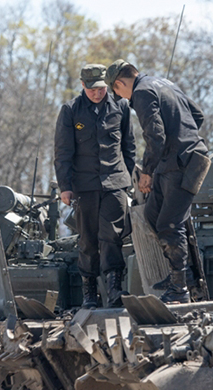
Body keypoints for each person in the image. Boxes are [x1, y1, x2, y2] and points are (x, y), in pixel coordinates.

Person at [105, 59, 209, 304]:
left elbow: (155, 135)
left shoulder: (141, 93)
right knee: (153, 216)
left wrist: (147, 172)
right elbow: (198, 115)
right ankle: (182, 276)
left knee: (170, 224)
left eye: (117, 92)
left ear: (120, 83)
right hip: (172, 161)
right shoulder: (165, 83)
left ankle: (180, 288)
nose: (121, 98)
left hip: (183, 163)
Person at [54, 64, 135, 309]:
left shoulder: (121, 107)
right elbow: (63, 152)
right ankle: (90, 292)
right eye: (91, 90)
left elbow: (128, 147)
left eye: (100, 89)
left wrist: (126, 179)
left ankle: (114, 288)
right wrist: (65, 187)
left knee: (112, 236)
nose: (97, 94)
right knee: (88, 240)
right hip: (85, 185)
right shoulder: (71, 110)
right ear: (82, 85)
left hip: (115, 183)